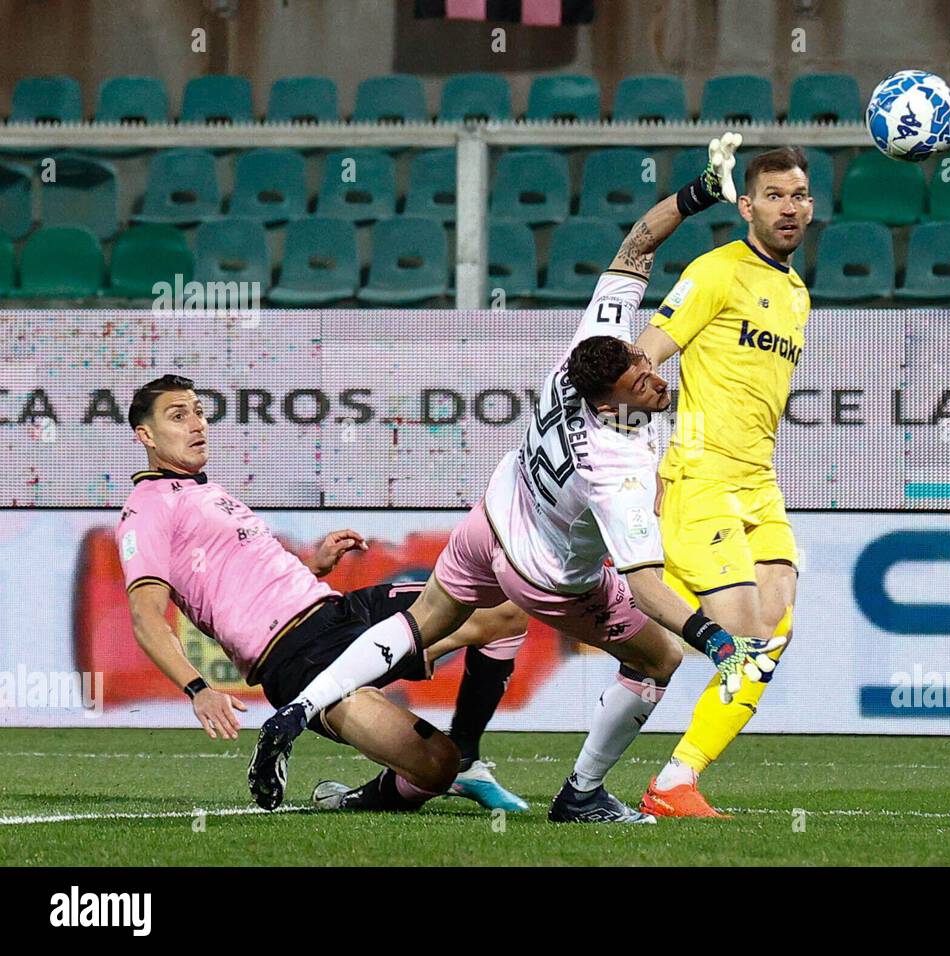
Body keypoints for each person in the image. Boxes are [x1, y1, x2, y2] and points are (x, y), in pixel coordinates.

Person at [253, 133, 784, 823]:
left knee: (420, 623)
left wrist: (699, 194)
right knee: (659, 661)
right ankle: (582, 793)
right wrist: (713, 638)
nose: (656, 379)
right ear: (604, 403)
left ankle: (299, 709)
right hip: (546, 571)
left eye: (647, 368)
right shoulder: (612, 462)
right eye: (640, 384)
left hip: (494, 518)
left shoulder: (588, 347)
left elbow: (636, 246)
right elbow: (647, 583)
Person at [115, 374, 530, 813]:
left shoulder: (209, 493)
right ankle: (363, 797)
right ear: (146, 435)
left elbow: (240, 577)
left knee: (504, 611)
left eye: (198, 412)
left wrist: (313, 564)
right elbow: (145, 617)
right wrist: (198, 689)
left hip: (338, 612)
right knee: (433, 765)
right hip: (296, 658)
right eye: (178, 417)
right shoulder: (147, 508)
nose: (197, 424)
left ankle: (467, 751)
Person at [633, 146, 813, 818]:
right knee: (744, 641)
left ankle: (676, 779)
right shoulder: (714, 273)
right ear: (747, 206)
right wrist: (643, 460)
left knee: (776, 629)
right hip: (702, 478)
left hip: (760, 484)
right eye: (773, 195)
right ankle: (638, 616)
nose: (789, 207)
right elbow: (641, 360)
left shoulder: (797, 294)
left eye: (798, 195)